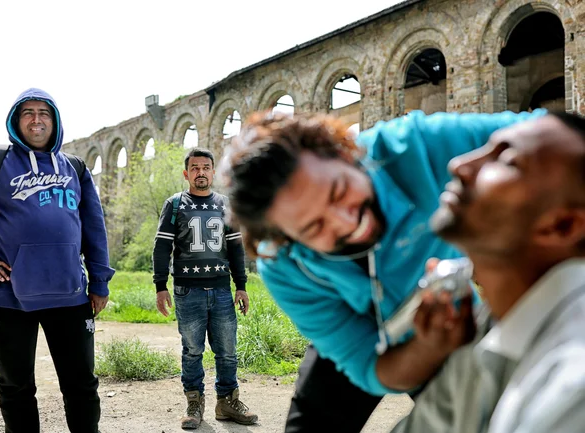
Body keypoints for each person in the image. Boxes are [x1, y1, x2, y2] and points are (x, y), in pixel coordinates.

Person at [219, 108, 545, 432]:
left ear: (342, 151)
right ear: (285, 238)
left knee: (482, 419)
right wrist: (425, 348)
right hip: (359, 331)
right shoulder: (282, 266)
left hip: (448, 320)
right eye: (314, 226)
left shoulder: (412, 146)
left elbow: (547, 131)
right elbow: (369, 368)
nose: (349, 224)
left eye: (338, 190)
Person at [0, 88, 114, 433]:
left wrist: (100, 281)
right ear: (16, 121)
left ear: (54, 120)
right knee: (16, 386)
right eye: (27, 112)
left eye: (44, 113)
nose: (36, 119)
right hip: (10, 294)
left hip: (70, 293)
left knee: (81, 384)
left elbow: (94, 227)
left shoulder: (74, 166)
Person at [392, 112, 585, 433]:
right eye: (484, 148)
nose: (459, 164)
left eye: (507, 160)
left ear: (561, 225)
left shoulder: (572, 383)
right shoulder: (484, 334)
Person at [152, 148, 258, 429]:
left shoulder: (225, 204)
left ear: (213, 172)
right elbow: (162, 248)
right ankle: (194, 404)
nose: (201, 172)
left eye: (206, 167)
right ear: (187, 174)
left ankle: (227, 402)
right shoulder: (174, 204)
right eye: (195, 168)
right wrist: (160, 286)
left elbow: (236, 248)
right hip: (188, 291)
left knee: (227, 351)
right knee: (192, 350)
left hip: (222, 290)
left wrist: (242, 286)